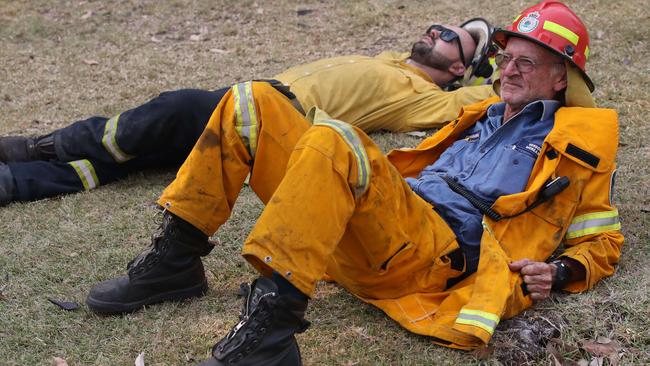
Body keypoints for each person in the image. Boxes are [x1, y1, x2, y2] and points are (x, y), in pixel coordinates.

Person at [85, 1, 623, 364]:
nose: (508, 70)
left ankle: (270, 335)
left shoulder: (576, 141)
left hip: (436, 254)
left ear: (562, 77)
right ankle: (175, 262)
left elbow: (604, 240)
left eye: (527, 63)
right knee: (252, 98)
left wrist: (559, 270)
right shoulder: (478, 113)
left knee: (336, 140)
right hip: (375, 231)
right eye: (506, 58)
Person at [0, 19, 498, 206]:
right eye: (439, 25)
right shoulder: (391, 61)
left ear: (458, 68)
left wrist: (512, 59)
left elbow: (497, 93)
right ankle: (15, 183)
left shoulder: (429, 98)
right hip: (250, 96)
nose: (437, 32)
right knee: (131, 160)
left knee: (171, 110)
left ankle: (40, 146)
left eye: (451, 37)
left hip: (270, 116)